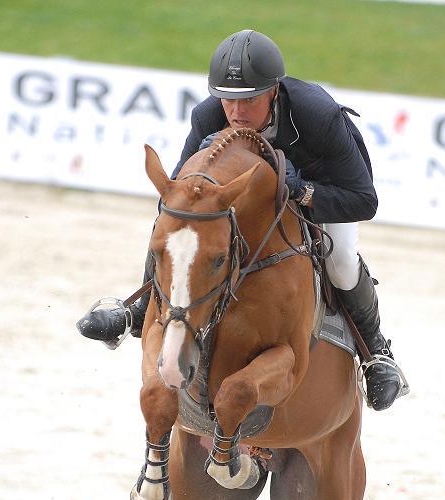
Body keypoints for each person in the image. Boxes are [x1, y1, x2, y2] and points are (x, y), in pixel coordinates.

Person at [77, 30, 408, 411]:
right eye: (228, 99)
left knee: (342, 260)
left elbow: (363, 201)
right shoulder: (208, 115)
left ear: (273, 91)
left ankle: (375, 352)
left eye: (249, 99)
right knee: (176, 228)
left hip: (318, 194)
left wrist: (302, 191)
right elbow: (178, 194)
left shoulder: (317, 115)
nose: (236, 112)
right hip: (246, 203)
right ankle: (138, 312)